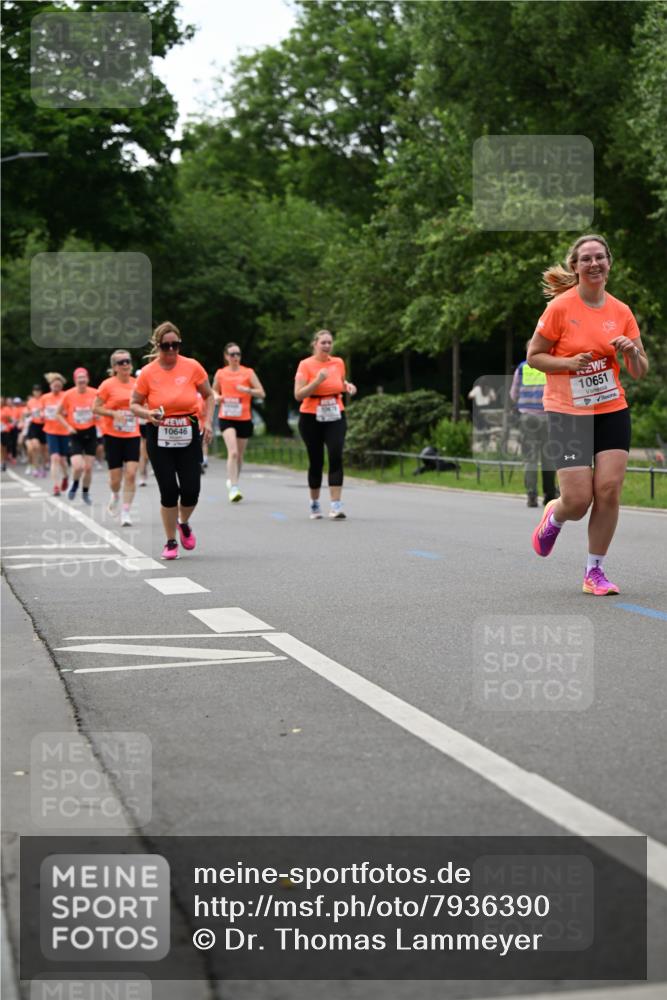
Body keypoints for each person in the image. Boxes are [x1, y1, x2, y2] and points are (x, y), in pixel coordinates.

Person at [527, 234, 649, 595]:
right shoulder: (560, 308)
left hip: (611, 408)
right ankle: (555, 515)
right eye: (586, 259)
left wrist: (631, 352)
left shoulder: (621, 311)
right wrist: (568, 363)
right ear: (575, 266)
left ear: (609, 263)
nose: (594, 263)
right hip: (568, 413)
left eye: (600, 257)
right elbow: (534, 356)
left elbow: (640, 370)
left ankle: (594, 571)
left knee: (608, 490)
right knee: (578, 501)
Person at [130, 322, 214, 560]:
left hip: (188, 431)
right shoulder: (148, 373)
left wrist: (208, 422)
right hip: (159, 434)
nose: (170, 350)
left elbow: (209, 395)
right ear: (158, 346)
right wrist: (148, 414)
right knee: (168, 490)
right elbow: (134, 404)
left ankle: (183, 522)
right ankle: (170, 541)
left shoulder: (192, 366)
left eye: (175, 345)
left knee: (191, 490)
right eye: (165, 346)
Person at [294, 329, 356, 520]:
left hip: (335, 414)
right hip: (311, 416)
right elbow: (298, 394)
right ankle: (314, 502)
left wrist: (347, 386)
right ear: (315, 344)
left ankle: (336, 505)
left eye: (329, 342)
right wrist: (317, 380)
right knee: (316, 461)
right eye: (323, 343)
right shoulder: (305, 365)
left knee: (336, 455)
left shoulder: (338, 362)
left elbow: (339, 382)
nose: (327, 346)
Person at [212, 343, 265, 501]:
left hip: (244, 418)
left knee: (240, 456)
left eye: (238, 354)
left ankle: (233, 480)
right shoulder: (221, 373)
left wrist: (248, 390)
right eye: (232, 354)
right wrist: (217, 397)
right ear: (226, 356)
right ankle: (234, 488)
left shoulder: (248, 372)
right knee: (233, 452)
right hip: (226, 417)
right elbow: (213, 390)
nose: (236, 357)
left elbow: (262, 393)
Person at [94, 350, 140, 526]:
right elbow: (95, 408)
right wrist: (113, 413)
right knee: (115, 480)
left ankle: (126, 512)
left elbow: (145, 403)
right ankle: (114, 494)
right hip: (112, 435)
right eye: (121, 362)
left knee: (131, 474)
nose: (125, 365)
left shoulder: (137, 384)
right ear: (114, 367)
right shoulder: (107, 385)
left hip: (132, 434)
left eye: (127, 361)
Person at [510, 339, 558, 507]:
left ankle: (531, 494)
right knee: (548, 457)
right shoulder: (549, 366)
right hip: (547, 416)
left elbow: (513, 394)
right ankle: (549, 494)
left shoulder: (522, 368)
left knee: (530, 458)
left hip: (527, 417)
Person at [56, 367, 98, 504]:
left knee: (88, 468)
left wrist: (99, 415)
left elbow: (102, 408)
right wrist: (68, 427)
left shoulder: (95, 393)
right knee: (78, 466)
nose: (81, 380)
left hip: (90, 432)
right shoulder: (68, 395)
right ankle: (74, 484)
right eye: (79, 378)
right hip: (75, 433)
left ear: (87, 379)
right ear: (75, 380)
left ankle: (85, 492)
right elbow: (58, 414)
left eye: (83, 377)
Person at [41, 373, 70, 495]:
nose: (56, 388)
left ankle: (66, 476)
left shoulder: (66, 396)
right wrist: (42, 415)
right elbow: (42, 412)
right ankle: (56, 486)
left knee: (63, 460)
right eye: (54, 385)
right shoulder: (45, 398)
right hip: (50, 431)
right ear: (50, 385)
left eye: (59, 386)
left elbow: (71, 411)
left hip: (64, 431)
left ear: (61, 386)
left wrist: (65, 414)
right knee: (55, 458)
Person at [24, 384, 48, 477]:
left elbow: (48, 411)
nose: (37, 392)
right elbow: (26, 413)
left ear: (41, 392)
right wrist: (28, 413)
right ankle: (35, 467)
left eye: (38, 391)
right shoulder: (30, 402)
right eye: (35, 391)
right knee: (35, 447)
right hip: (34, 425)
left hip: (44, 425)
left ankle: (42, 467)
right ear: (33, 392)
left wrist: (43, 414)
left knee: (43, 449)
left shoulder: (44, 400)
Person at [0, 396, 13, 472]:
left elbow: (10, 420)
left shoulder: (6, 409)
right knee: (0, 446)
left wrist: (7, 417)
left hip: (5, 430)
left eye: (2, 401)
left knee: (4, 447)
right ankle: (1, 462)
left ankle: (3, 461)